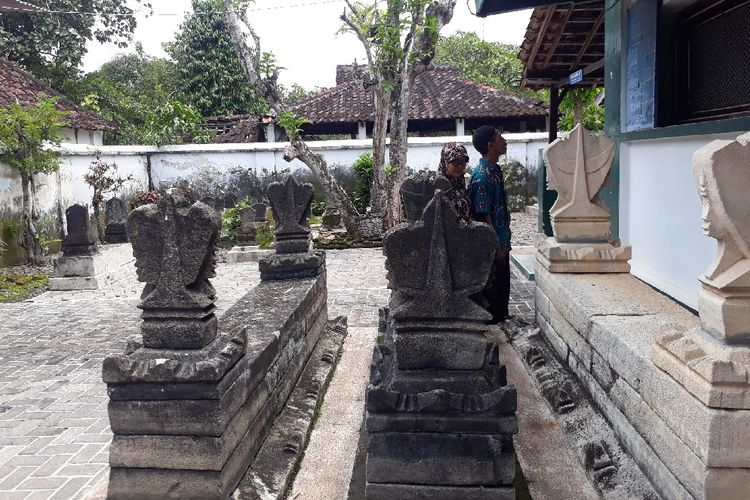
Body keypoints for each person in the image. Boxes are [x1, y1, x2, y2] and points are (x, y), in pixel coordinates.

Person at [469, 126, 511, 323]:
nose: (504, 140)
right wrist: (496, 249)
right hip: (493, 248)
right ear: (490, 145)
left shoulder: (496, 171)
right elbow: (483, 215)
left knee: (503, 294)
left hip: (502, 242)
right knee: (493, 297)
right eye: (499, 137)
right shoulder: (481, 176)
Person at [438, 142, 472, 222]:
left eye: (463, 162)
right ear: (446, 162)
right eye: (456, 162)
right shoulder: (439, 186)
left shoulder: (460, 184)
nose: (460, 166)